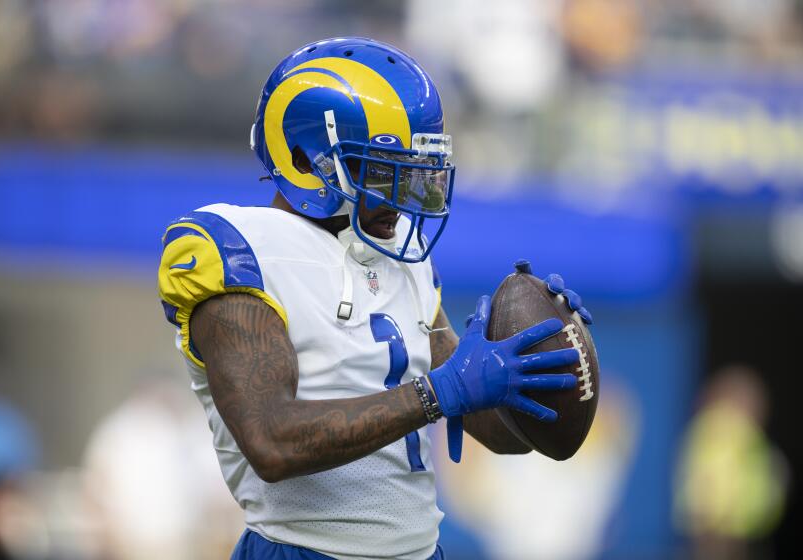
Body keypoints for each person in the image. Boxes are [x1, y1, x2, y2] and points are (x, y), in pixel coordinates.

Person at [158, 37, 593, 560]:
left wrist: (529, 366)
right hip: (303, 551)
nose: (405, 196)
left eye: (414, 173)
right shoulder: (239, 250)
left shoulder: (402, 259)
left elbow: (500, 433)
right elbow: (272, 441)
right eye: (384, 172)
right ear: (304, 159)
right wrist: (437, 394)